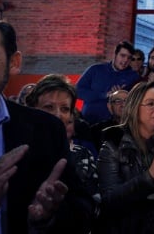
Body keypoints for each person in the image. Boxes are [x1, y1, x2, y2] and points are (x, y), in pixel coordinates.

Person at [0, 19, 96, 234]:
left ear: (14, 62)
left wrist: (48, 218)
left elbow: (82, 211)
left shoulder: (45, 129)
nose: (58, 113)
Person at [96, 81, 154, 234]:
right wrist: (150, 175)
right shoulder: (114, 144)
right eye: (151, 104)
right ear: (135, 107)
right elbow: (109, 201)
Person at [25, 74, 100, 204]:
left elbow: (92, 203)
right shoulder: (18, 150)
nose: (58, 115)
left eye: (65, 109)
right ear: (32, 109)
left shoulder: (79, 154)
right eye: (49, 107)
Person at [77, 40, 141, 124]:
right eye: (123, 55)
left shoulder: (133, 77)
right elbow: (77, 91)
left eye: (129, 58)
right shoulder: (95, 70)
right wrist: (104, 95)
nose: (125, 60)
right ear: (115, 54)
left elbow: (135, 102)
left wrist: (121, 95)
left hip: (115, 126)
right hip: (88, 122)